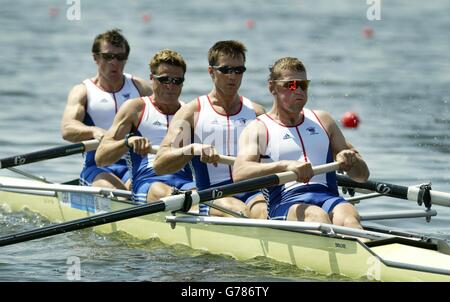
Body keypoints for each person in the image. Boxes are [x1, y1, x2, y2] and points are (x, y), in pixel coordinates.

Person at [232, 57, 369, 228]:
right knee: (316, 216)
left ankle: (368, 251)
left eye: (303, 85)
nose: (298, 90)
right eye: (291, 85)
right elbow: (239, 173)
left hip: (329, 198)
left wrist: (352, 160)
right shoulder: (258, 128)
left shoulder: (324, 120)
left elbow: (362, 176)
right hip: (286, 204)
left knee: (349, 217)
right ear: (272, 87)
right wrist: (285, 166)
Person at [153, 40, 266, 218]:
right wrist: (192, 149)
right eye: (226, 70)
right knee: (239, 212)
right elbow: (160, 164)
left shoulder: (257, 113)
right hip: (212, 194)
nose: (233, 76)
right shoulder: (192, 112)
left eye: (238, 70)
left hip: (253, 193)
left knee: (266, 212)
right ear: (211, 71)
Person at [95, 49, 195, 203]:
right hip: (148, 183)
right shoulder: (135, 109)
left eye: (177, 81)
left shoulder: (190, 112)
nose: (171, 86)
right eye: (164, 80)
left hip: (185, 183)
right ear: (151, 79)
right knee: (162, 191)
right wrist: (127, 142)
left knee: (202, 196)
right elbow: (100, 158)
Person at [60, 29, 152, 190]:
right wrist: (94, 131)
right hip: (98, 166)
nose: (114, 62)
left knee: (148, 189)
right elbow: (67, 129)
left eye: (120, 57)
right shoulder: (83, 91)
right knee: (114, 191)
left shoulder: (141, 88)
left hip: (135, 165)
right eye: (108, 56)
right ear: (95, 57)